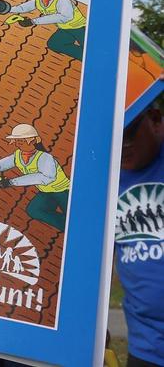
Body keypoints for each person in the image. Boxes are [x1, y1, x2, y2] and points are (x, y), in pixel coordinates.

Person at [114, 104, 164, 367]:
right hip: (147, 348)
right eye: (112, 135)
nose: (121, 144)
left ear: (155, 119)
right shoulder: (102, 177)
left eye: (129, 132)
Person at [0, 123, 70, 231]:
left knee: (71, 215)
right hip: (46, 192)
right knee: (34, 210)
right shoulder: (18, 155)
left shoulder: (45, 157)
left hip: (63, 191)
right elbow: (0, 165)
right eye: (17, 141)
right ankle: (66, 226)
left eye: (21, 140)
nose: (18, 144)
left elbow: (46, 178)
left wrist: (11, 182)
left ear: (33, 141)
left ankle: (70, 226)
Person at [5, 0, 86, 61]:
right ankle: (84, 57)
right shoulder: (38, 0)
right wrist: (6, 8)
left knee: (88, 48)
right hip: (65, 29)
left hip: (80, 28)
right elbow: (23, 8)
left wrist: (33, 21)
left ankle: (88, 57)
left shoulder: (63, 0)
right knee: (55, 44)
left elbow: (65, 17)